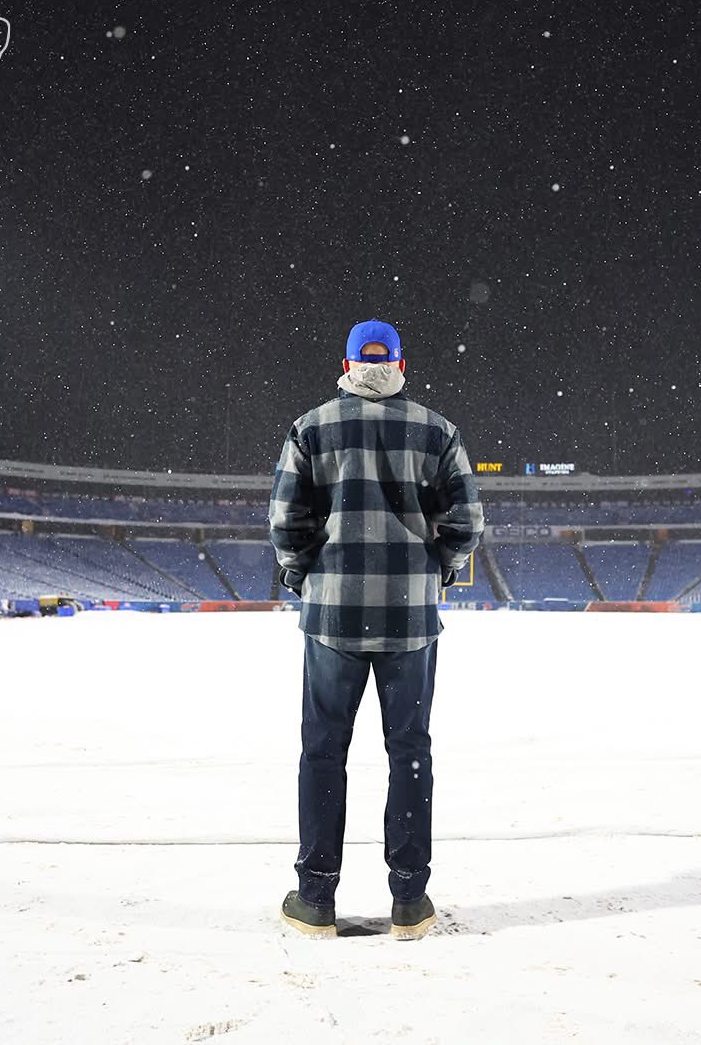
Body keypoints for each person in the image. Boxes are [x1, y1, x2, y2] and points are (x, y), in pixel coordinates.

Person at [267, 319, 484, 940]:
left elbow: (286, 520)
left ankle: (315, 899)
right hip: (410, 620)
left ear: (345, 364)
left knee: (322, 753)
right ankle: (410, 901)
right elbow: (466, 519)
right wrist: (433, 568)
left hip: (332, 616)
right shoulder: (437, 431)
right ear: (400, 365)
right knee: (409, 752)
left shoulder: (312, 426)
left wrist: (303, 572)